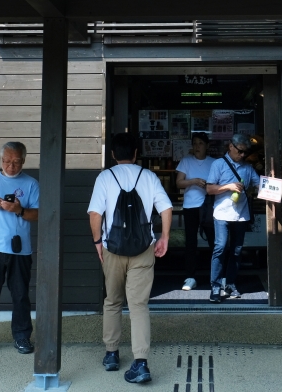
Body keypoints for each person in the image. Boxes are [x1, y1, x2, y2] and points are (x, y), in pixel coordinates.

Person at [88, 132, 172, 384]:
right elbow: (166, 208)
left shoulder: (105, 177)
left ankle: (112, 354)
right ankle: (141, 362)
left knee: (112, 301)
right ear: (136, 153)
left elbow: (95, 214)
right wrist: (164, 237)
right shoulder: (148, 176)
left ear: (113, 154)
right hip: (143, 249)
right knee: (138, 305)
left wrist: (97, 242)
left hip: (112, 248)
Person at [0, 142, 40, 357]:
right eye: (6, 161)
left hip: (20, 250)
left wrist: (19, 209)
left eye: (16, 162)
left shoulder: (31, 184)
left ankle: (22, 337)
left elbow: (39, 214)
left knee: (21, 295)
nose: (11, 166)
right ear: (0, 160)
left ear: (24, 160)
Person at [206, 133, 260, 303]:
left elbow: (259, 186)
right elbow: (209, 189)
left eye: (245, 153)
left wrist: (270, 188)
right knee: (220, 247)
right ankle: (215, 286)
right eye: (240, 151)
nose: (243, 155)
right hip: (221, 212)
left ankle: (229, 283)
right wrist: (228, 186)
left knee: (236, 251)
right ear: (231, 147)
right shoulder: (218, 164)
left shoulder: (248, 168)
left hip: (241, 215)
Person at [175, 132, 216, 290]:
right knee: (190, 242)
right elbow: (179, 183)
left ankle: (216, 276)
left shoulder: (214, 162)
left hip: (208, 206)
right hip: (190, 206)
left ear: (207, 146)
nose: (197, 146)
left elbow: (219, 184)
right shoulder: (186, 161)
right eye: (195, 143)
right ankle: (190, 276)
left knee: (214, 241)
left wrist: (208, 186)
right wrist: (193, 181)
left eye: (200, 143)